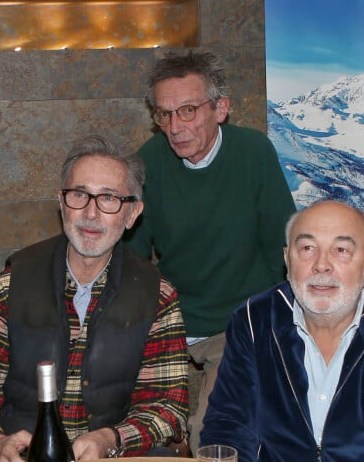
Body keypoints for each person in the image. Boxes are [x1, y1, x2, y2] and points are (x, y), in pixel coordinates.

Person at [0, 135, 189, 461]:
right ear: (61, 202)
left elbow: (167, 405)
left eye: (109, 199)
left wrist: (112, 439)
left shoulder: (157, 296)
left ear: (132, 214)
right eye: (79, 194)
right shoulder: (7, 288)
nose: (91, 212)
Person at [125, 51, 297, 453]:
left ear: (221, 108)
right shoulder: (149, 161)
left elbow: (284, 246)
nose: (175, 127)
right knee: (130, 424)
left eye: (187, 110)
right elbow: (132, 257)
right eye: (164, 115)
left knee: (214, 434)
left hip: (239, 321)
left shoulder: (253, 152)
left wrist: (284, 328)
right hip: (171, 320)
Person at [200, 200, 364, 461]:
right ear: (288, 260)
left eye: (341, 250)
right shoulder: (254, 321)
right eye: (307, 248)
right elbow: (228, 426)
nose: (322, 265)